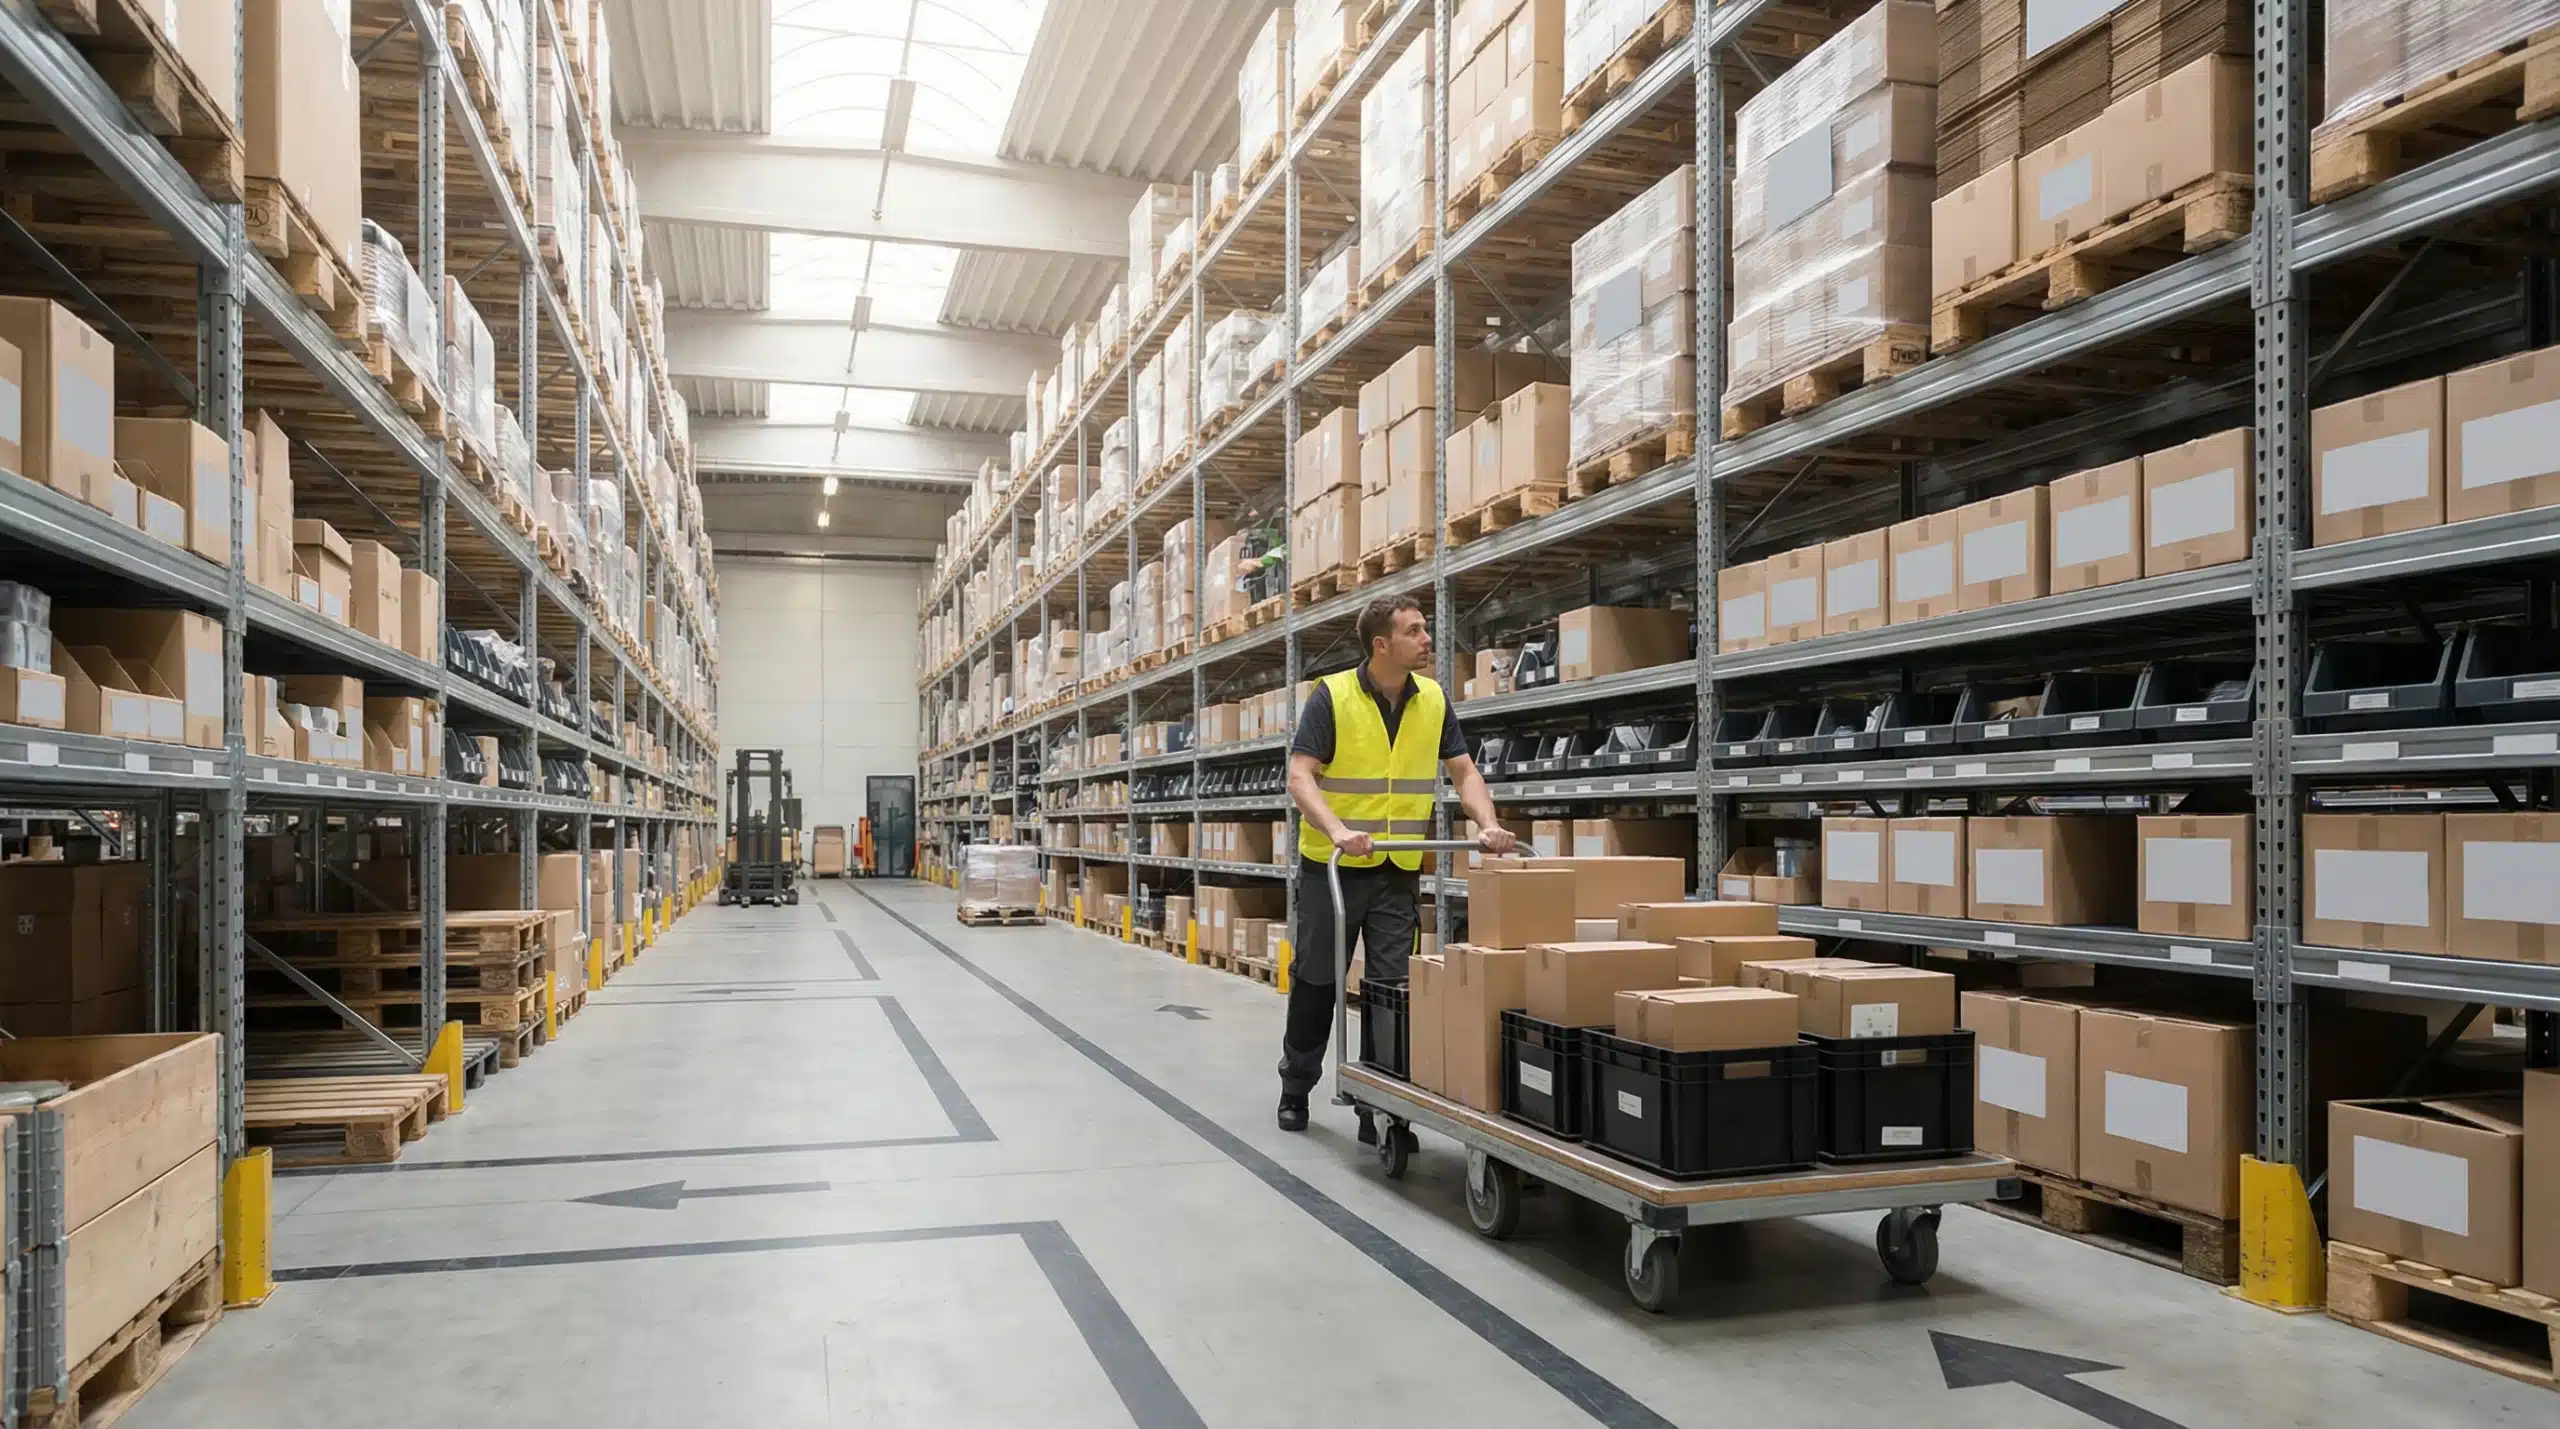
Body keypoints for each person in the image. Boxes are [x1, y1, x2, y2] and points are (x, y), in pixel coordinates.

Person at [1276, 593, 1515, 1133]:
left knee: (1391, 989)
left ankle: (1380, 1100)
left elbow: (1463, 771)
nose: (1427, 639)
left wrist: (1486, 823)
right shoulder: (1332, 696)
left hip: (1397, 871)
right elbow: (1300, 776)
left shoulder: (1432, 699)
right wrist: (1337, 831)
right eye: (1414, 631)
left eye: (1425, 628)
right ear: (1381, 645)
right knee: (1317, 981)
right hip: (1332, 868)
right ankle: (1297, 1084)